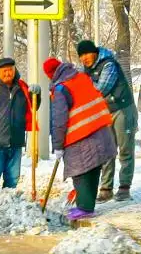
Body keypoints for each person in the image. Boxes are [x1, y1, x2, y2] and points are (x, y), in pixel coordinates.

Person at [44, 57, 117, 221]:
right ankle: (88, 206)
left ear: (51, 75)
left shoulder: (61, 89)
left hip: (80, 136)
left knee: (80, 170)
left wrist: (57, 146)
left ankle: (84, 207)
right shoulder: (82, 78)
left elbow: (59, 120)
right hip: (101, 131)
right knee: (93, 168)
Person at [77, 40, 138, 202]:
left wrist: (84, 83)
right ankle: (106, 188)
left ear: (94, 52)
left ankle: (124, 187)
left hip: (122, 109)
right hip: (105, 112)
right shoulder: (86, 71)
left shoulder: (108, 64)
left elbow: (100, 89)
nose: (84, 58)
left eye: (86, 54)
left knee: (125, 149)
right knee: (106, 150)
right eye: (81, 56)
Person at [0, 57, 41, 196]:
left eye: (10, 70)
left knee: (12, 181)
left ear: (15, 70)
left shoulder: (22, 87)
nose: (7, 74)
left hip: (15, 142)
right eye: (4, 71)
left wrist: (36, 95)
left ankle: (7, 209)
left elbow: (33, 107)